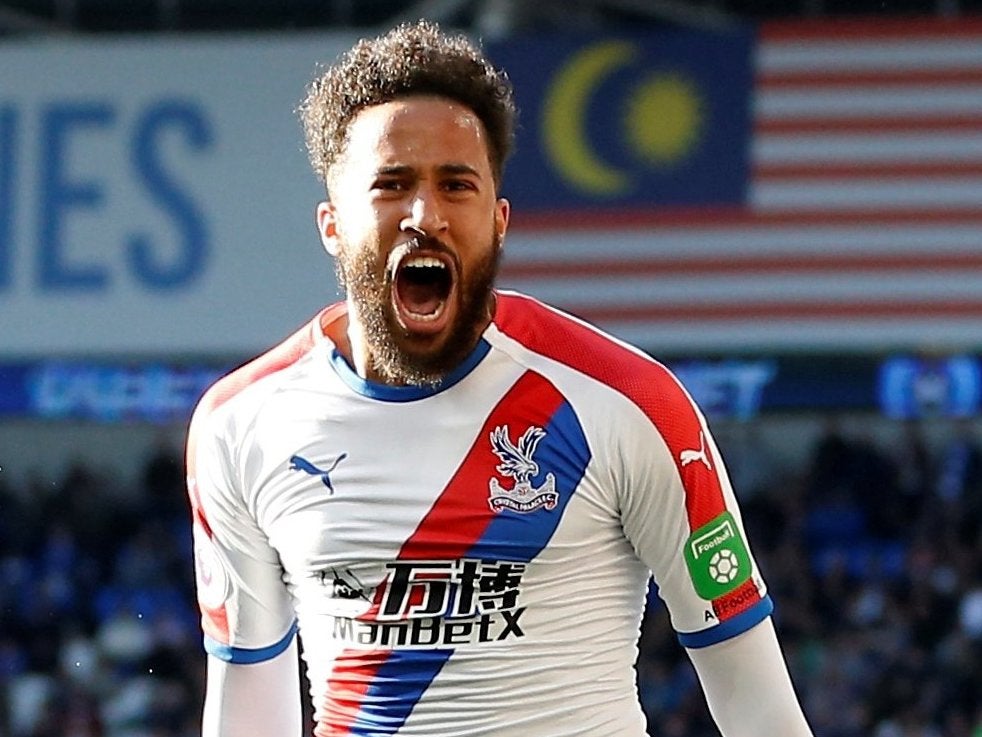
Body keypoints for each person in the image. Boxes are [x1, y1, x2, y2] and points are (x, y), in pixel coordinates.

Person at [185, 20, 815, 737]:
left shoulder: (627, 405)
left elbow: (757, 705)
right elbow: (248, 711)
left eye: (457, 185)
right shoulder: (239, 425)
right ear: (332, 224)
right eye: (391, 185)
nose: (425, 216)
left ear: (499, 218)